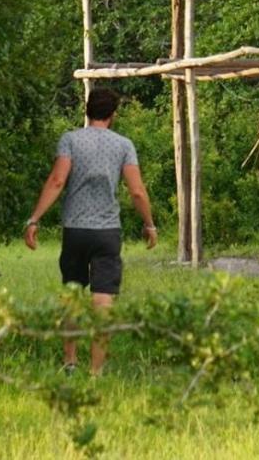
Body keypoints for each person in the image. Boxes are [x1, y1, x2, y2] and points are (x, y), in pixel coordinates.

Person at [24, 87, 157, 375]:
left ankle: (70, 362)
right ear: (113, 115)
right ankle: (96, 372)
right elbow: (136, 191)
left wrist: (34, 219)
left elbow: (58, 180)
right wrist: (149, 224)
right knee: (103, 300)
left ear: (87, 110)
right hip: (107, 232)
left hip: (75, 229)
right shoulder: (123, 145)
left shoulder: (70, 140)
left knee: (72, 293)